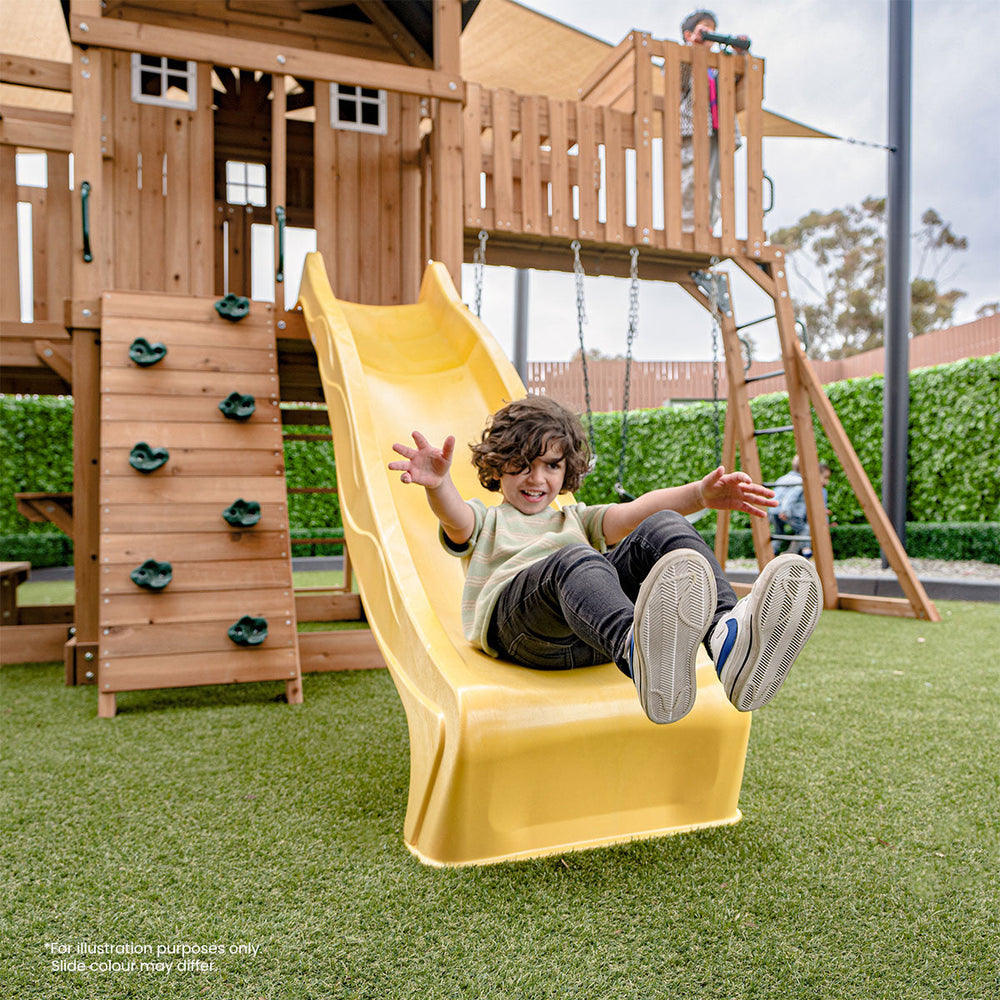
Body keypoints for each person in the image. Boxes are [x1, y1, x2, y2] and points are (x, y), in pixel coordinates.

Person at [389, 396, 822, 726]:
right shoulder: (486, 521)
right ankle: (638, 651)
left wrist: (699, 495)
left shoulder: (576, 518)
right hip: (522, 633)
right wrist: (438, 485)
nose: (537, 478)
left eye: (551, 466)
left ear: (567, 470)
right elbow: (456, 520)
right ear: (498, 466)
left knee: (661, 525)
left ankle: (727, 639)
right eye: (521, 465)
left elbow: (639, 511)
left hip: (591, 636)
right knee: (577, 559)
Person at [679, 9, 745, 232]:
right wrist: (693, 48)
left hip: (718, 131)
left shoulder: (718, 66)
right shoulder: (683, 57)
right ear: (688, 34)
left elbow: (735, 81)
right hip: (693, 129)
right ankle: (688, 228)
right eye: (705, 29)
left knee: (715, 181)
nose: (710, 34)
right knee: (692, 178)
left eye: (713, 30)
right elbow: (678, 80)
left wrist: (739, 54)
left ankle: (708, 226)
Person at [772, 457, 833, 557]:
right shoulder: (801, 481)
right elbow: (791, 497)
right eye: (825, 478)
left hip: (774, 510)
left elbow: (776, 493)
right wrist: (785, 510)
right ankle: (803, 552)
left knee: (780, 533)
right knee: (803, 530)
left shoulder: (783, 478)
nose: (827, 481)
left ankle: (772, 552)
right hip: (792, 513)